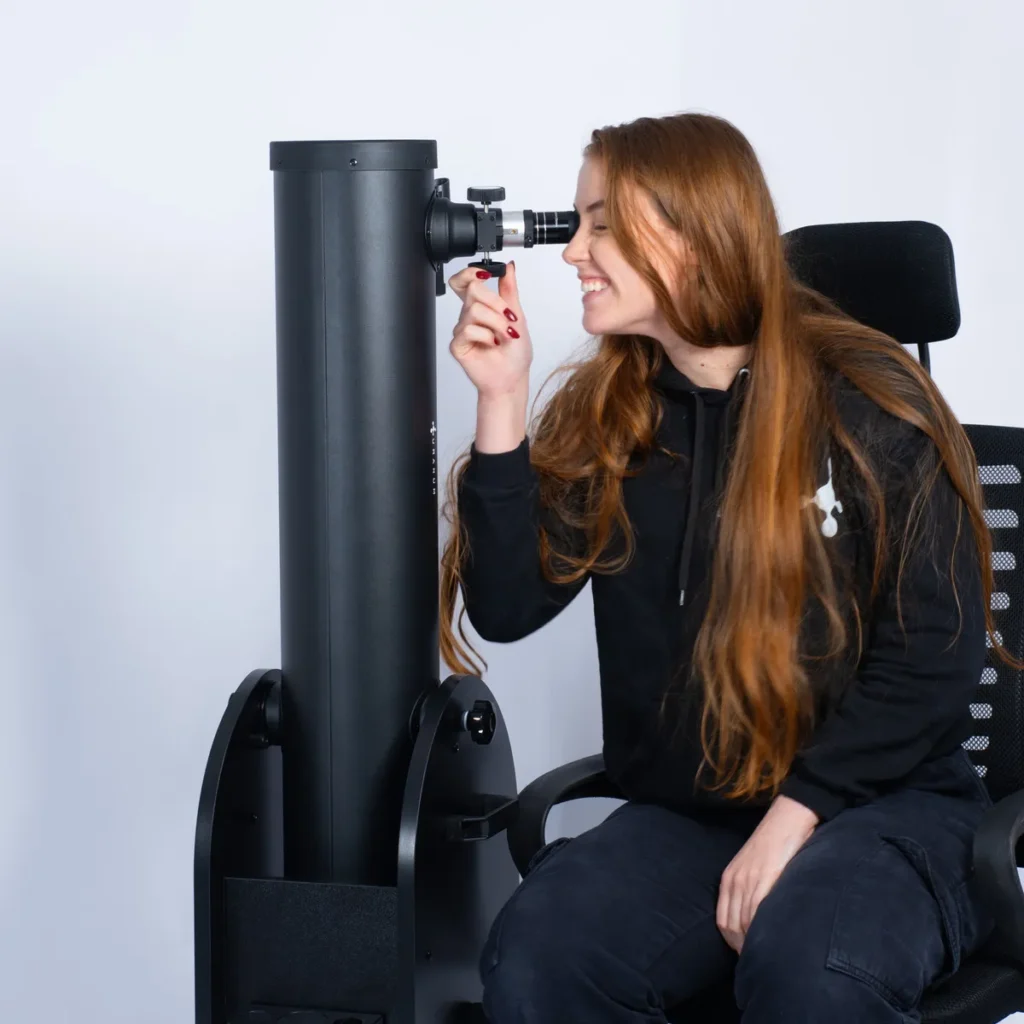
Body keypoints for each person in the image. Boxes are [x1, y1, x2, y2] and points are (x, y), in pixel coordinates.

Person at [438, 112, 1018, 1023]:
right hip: (695, 812)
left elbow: (933, 657)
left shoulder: (869, 405)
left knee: (813, 972)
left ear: (689, 234)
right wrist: (502, 404)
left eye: (600, 223)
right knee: (543, 964)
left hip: (887, 808)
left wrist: (795, 817)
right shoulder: (614, 413)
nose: (572, 253)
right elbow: (507, 606)